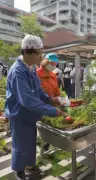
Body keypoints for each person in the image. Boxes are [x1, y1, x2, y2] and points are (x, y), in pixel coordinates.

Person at [5, 35, 65, 180]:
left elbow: (38, 90)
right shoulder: (17, 71)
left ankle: (30, 167)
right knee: (20, 146)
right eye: (38, 53)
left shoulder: (30, 68)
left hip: (30, 114)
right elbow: (27, 100)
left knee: (30, 143)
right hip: (19, 114)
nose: (41, 57)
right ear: (27, 52)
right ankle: (19, 171)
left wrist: (51, 100)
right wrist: (52, 111)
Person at [37, 53, 61, 151]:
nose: (54, 65)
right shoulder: (36, 74)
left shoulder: (53, 75)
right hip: (40, 106)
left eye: (55, 64)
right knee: (42, 129)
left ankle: (49, 145)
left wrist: (60, 99)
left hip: (52, 105)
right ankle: (41, 148)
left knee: (51, 128)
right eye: (52, 63)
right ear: (46, 62)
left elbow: (56, 91)